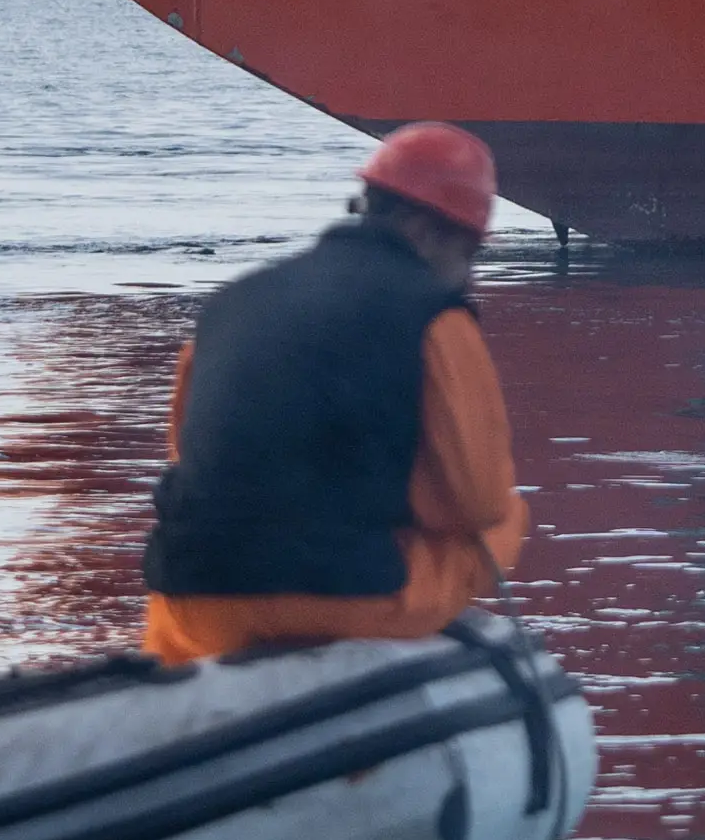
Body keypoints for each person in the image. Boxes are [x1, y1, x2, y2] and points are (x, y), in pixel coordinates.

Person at [140, 123, 529, 663]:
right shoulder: (436, 316)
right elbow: (473, 500)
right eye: (471, 255)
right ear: (428, 231)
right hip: (344, 600)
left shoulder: (230, 303)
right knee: (506, 516)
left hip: (190, 599)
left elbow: (186, 454)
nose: (469, 275)